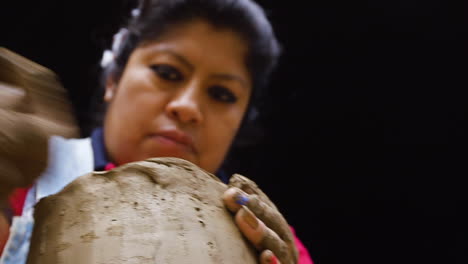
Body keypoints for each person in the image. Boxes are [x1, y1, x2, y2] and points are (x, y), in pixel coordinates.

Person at [1, 0, 313, 263]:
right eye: (167, 72)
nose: (188, 107)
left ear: (241, 122)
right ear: (113, 79)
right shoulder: (19, 178)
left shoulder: (266, 238)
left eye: (221, 94)